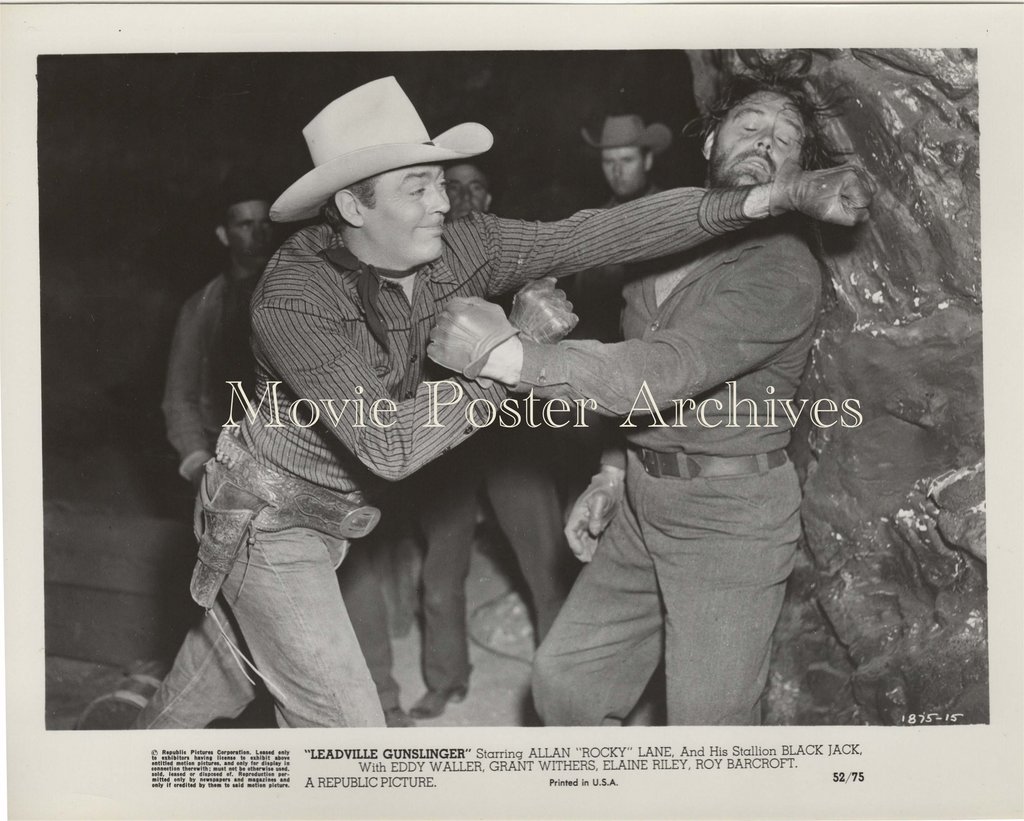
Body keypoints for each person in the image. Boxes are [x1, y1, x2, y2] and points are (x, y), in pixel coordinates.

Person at [140, 74, 871, 729]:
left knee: (214, 676)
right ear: (352, 206)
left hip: (338, 513)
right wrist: (508, 352)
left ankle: (122, 768)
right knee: (348, 738)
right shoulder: (292, 297)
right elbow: (390, 444)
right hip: (268, 520)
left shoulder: (460, 245)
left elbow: (594, 232)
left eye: (439, 180)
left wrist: (774, 197)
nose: (443, 201)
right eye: (418, 188)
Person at [428, 66, 874, 725]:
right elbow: (634, 362)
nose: (765, 141)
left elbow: (662, 371)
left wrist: (508, 356)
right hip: (642, 496)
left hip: (728, 519)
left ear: (796, 175)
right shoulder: (664, 236)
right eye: (750, 125)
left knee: (706, 730)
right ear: (710, 142)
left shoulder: (782, 266)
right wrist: (611, 472)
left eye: (785, 139)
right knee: (565, 682)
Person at [408, 162, 575, 720]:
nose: (464, 197)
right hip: (449, 439)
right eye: (452, 188)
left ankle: (559, 685)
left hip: (511, 438)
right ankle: (445, 677)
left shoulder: (513, 260)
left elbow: (550, 341)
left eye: (476, 187)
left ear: (490, 197)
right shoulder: (420, 265)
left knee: (546, 564)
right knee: (440, 573)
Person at [162, 176, 274, 485]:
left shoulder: (302, 293)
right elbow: (179, 397)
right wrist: (197, 462)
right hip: (227, 454)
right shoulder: (202, 307)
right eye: (245, 225)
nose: (259, 234)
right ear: (224, 235)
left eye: (266, 223)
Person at [570, 114, 672, 343]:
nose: (617, 171)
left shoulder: (671, 212)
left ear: (647, 161)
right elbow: (583, 302)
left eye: (627, 160)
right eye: (608, 162)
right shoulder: (593, 223)